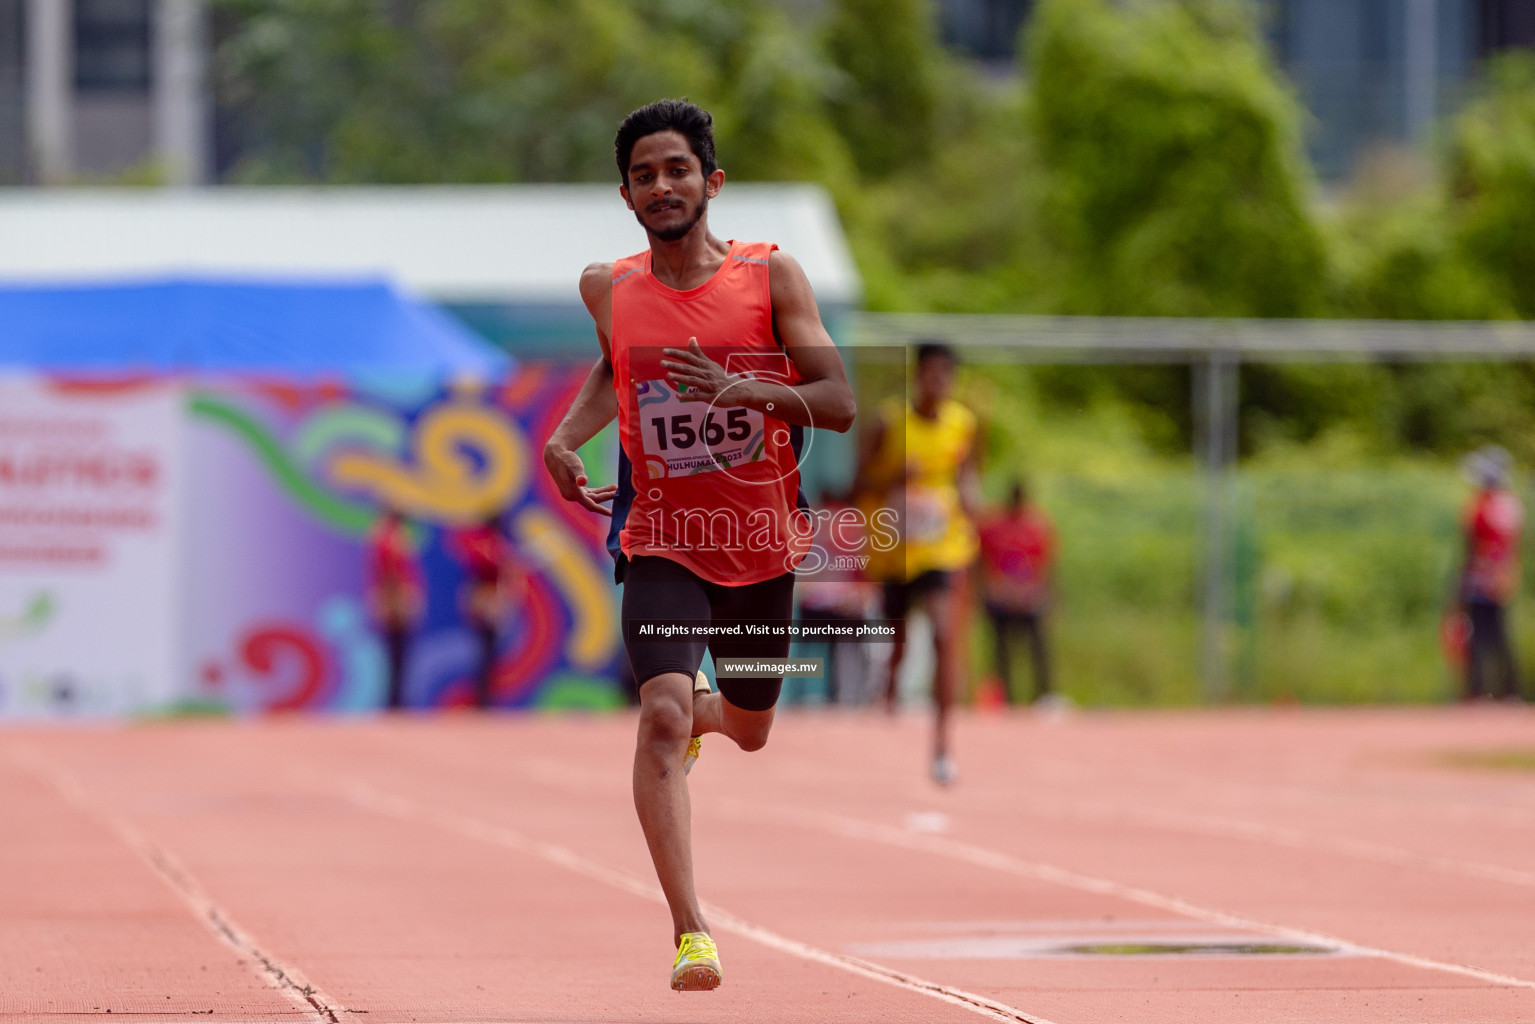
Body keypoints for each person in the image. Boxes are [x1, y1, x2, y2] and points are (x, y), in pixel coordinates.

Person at [541, 99, 855, 992]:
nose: (661, 185)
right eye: (644, 174)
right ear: (626, 194)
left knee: (750, 731)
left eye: (676, 169)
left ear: (710, 182)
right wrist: (567, 440)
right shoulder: (609, 286)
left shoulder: (770, 278)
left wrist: (741, 391)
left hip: (757, 536)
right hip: (662, 536)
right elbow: (616, 365)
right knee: (661, 716)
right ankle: (692, 931)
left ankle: (722, 715)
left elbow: (838, 402)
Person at [857, 342, 980, 786]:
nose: (937, 383)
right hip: (896, 549)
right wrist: (894, 477)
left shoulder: (963, 425)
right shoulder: (889, 422)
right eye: (929, 374)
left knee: (946, 635)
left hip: (943, 545)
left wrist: (970, 500)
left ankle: (943, 744)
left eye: (945, 376)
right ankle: (888, 685)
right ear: (917, 376)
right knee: (900, 638)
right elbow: (859, 481)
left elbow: (967, 473)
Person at [977, 480, 1056, 705]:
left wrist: (1044, 593)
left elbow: (1047, 563)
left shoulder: (1038, 524)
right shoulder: (993, 525)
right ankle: (1006, 699)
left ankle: (1044, 696)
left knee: (1039, 648)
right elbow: (983, 562)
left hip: (1029, 597)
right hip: (999, 596)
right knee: (1001, 651)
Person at [1457, 446, 1524, 702]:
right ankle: (1506, 691)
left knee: (1482, 634)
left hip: (1481, 578)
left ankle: (1480, 691)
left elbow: (1473, 546)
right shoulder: (1510, 504)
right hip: (1498, 576)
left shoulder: (1482, 505)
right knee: (1497, 634)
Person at [449, 513, 523, 709]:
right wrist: (504, 564)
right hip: (485, 600)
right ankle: (482, 699)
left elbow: (508, 577)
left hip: (489, 599)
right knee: (484, 650)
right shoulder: (490, 546)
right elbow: (481, 564)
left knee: (489, 651)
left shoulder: (496, 546)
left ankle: (487, 698)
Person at [364, 507, 423, 710]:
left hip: (393, 597)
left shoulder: (387, 536)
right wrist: (398, 601)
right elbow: (391, 573)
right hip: (395, 599)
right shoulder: (390, 538)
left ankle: (396, 698)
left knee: (398, 651)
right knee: (396, 651)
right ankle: (394, 701)